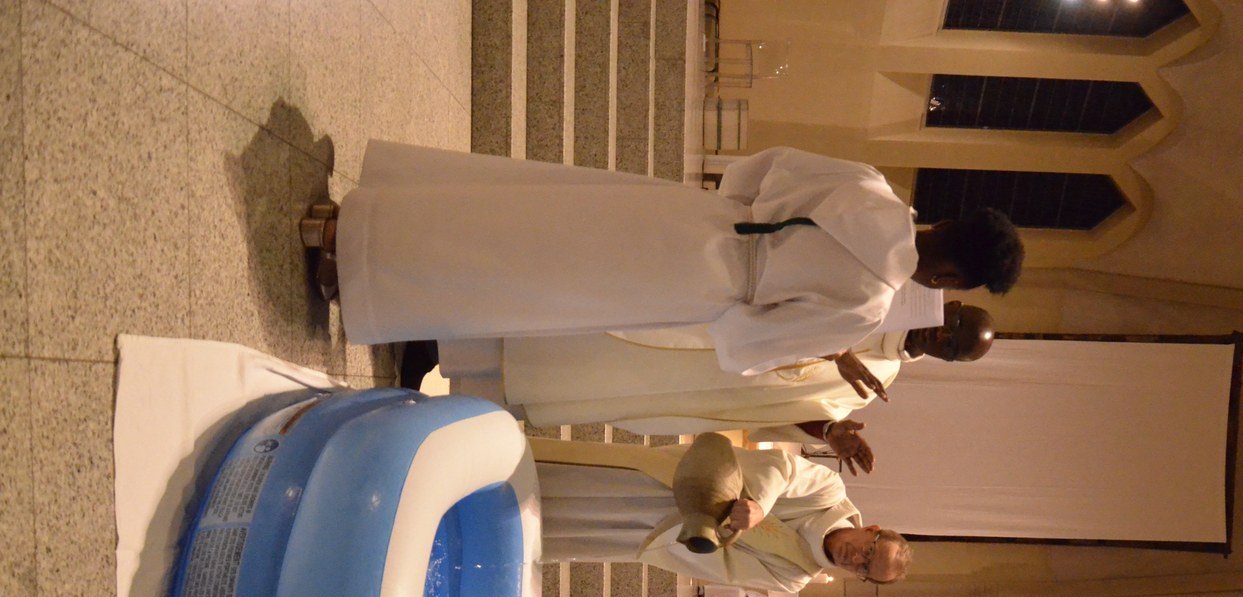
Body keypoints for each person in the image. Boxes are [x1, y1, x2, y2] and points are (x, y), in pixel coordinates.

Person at [303, 142, 1024, 377]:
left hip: (693, 218)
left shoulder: (869, 186)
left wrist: (739, 213)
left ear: (948, 222)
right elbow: (750, 345)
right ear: (951, 279)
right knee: (526, 278)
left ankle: (356, 220)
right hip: (695, 283)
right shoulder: (868, 305)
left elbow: (764, 167)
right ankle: (357, 272)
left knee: (528, 214)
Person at [443, 300, 997, 474]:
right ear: (950, 302)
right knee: (580, 337)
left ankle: (460, 381)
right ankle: (450, 336)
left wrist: (829, 431)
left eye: (952, 346)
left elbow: (790, 408)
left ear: (947, 360)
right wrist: (832, 342)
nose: (941, 336)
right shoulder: (880, 296)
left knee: (584, 386)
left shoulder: (877, 384)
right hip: (694, 328)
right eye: (953, 324)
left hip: (697, 387)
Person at [528, 436, 910, 593]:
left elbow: (724, 568)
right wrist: (759, 505)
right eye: (869, 552)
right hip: (672, 482)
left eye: (864, 569)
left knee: (559, 526)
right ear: (872, 529)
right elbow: (783, 469)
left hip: (662, 532)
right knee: (578, 479)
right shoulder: (829, 492)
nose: (856, 560)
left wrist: (705, 533)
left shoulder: (795, 575)